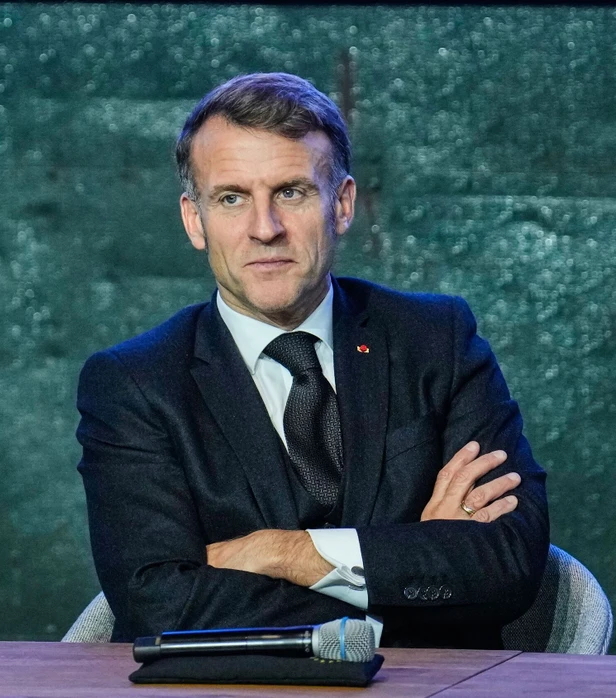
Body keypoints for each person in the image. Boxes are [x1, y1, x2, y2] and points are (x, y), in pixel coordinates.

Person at [75, 73, 548, 648]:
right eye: (231, 198)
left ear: (342, 204)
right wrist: (408, 567)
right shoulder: (134, 384)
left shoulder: (436, 341)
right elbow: (159, 605)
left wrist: (282, 552)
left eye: (291, 192)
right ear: (194, 220)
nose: (264, 228)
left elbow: (509, 563)